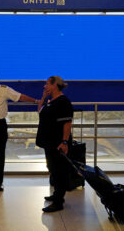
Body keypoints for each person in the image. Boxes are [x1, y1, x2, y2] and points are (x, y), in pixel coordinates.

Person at [36, 76, 73, 212]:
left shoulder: (63, 102)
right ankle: (57, 195)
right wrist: (43, 97)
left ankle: (58, 201)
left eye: (47, 84)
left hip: (58, 143)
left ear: (54, 85)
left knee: (59, 171)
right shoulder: (51, 101)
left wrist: (64, 142)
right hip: (49, 143)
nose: (45, 86)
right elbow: (39, 111)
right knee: (53, 169)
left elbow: (67, 123)